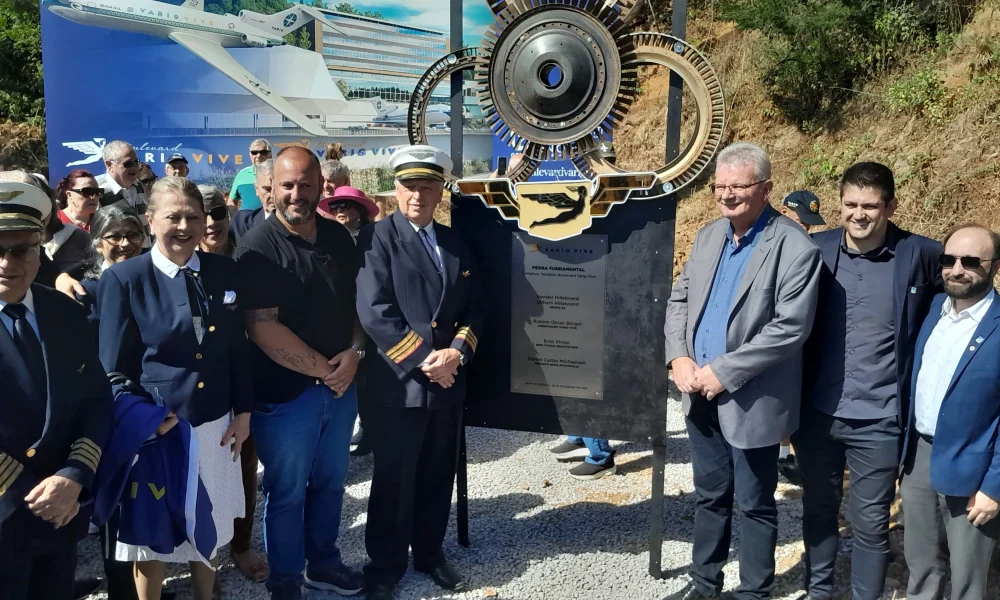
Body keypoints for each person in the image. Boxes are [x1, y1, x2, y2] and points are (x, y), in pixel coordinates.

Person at [663, 142, 823, 600]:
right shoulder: (709, 236)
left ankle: (754, 592)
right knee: (709, 495)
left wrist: (724, 371)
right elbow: (679, 299)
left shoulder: (794, 246)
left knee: (754, 503)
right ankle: (705, 584)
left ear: (766, 189)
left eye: (739, 186)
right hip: (697, 390)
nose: (727, 194)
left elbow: (790, 328)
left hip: (752, 399)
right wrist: (679, 357)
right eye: (719, 186)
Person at [98, 177, 253, 600]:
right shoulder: (125, 279)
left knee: (208, 524)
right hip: (158, 431)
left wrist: (243, 411)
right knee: (153, 537)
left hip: (216, 423)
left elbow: (237, 348)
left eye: (193, 217)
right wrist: (144, 420)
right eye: (173, 217)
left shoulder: (224, 271)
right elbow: (112, 369)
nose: (184, 226)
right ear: (151, 221)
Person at [796, 163, 942, 600]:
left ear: (890, 206)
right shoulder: (815, 249)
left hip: (880, 419)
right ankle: (817, 592)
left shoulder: (921, 255)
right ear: (840, 203)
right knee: (818, 511)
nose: (858, 214)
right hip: (817, 414)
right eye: (850, 204)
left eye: (870, 206)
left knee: (871, 523)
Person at [235, 147, 366, 600]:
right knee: (287, 493)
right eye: (287, 185)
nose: (296, 194)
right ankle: (286, 583)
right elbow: (261, 326)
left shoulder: (337, 238)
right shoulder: (257, 248)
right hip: (286, 397)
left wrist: (355, 351)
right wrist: (327, 371)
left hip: (340, 387)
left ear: (320, 187)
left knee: (331, 484)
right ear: (271, 188)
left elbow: (356, 305)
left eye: (306, 185)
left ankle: (324, 565)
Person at [356, 145, 486, 600]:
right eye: (409, 186)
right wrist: (428, 362)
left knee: (437, 474)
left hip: (447, 381)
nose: (417, 195)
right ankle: (385, 565)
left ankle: (430, 554)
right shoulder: (375, 238)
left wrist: (456, 354)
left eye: (427, 186)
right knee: (394, 478)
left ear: (440, 191)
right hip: (400, 384)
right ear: (395, 189)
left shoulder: (455, 242)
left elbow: (476, 308)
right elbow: (375, 311)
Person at [0, 180, 114, 600]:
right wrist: (32, 493)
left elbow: (96, 400)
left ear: (39, 250)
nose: (6, 262)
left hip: (60, 515)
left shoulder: (64, 312)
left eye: (20, 250)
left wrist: (74, 475)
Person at [902, 223, 1000, 600]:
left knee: (967, 578)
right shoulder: (933, 310)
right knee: (921, 564)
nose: (957, 270)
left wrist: (994, 487)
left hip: (974, 467)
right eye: (949, 259)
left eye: (971, 262)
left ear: (994, 267)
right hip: (919, 458)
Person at [197, 184, 269, 584]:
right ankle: (201, 558)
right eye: (202, 214)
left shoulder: (248, 259)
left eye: (218, 213)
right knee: (198, 475)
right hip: (198, 384)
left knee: (244, 466)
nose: (211, 223)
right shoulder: (177, 262)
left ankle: (241, 545)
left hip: (245, 377)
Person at [96, 140, 150, 245]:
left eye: (136, 162)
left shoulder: (138, 185)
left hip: (144, 252)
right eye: (128, 164)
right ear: (109, 165)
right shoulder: (98, 190)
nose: (134, 168)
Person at [231, 158, 274, 243]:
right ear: (256, 189)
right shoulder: (240, 223)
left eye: (278, 188)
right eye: (267, 189)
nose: (273, 195)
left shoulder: (301, 226)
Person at [230, 139, 272, 212]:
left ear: (270, 155)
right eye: (254, 152)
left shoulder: (278, 173)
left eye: (263, 152)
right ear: (250, 155)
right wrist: (235, 217)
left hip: (271, 218)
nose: (258, 156)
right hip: (245, 219)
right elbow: (231, 201)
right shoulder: (242, 174)